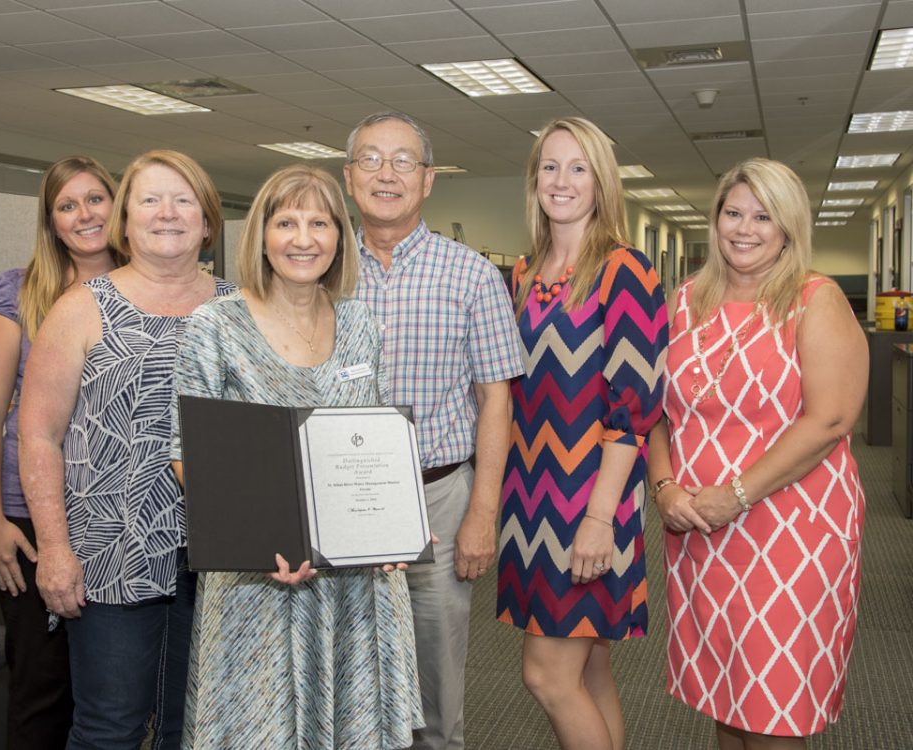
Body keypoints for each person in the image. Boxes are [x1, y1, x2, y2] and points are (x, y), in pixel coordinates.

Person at [170, 163, 423, 750]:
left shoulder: (362, 325)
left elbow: (374, 436)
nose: (303, 238)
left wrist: (390, 529)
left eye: (320, 222)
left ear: (341, 237)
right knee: (260, 730)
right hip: (257, 581)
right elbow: (189, 456)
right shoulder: (216, 326)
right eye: (286, 222)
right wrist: (258, 542)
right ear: (261, 234)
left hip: (356, 585)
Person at [18, 150, 236, 750]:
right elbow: (38, 434)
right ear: (126, 221)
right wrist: (54, 550)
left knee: (190, 727)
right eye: (149, 200)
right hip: (109, 555)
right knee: (109, 728)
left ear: (207, 220)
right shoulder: (81, 308)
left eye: (183, 200)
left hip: (219, 558)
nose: (167, 213)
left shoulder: (240, 310)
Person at [648, 158, 867, 750]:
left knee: (773, 711)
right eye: (733, 212)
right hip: (699, 528)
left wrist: (736, 494)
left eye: (763, 216)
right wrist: (665, 487)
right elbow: (659, 411)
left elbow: (831, 418)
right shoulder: (687, 298)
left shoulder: (814, 300)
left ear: (788, 226)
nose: (744, 228)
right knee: (726, 697)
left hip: (793, 530)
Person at [343, 111, 523, 749]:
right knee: (345, 670)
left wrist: (483, 511)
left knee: (435, 677)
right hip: (341, 498)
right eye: (370, 159)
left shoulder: (472, 275)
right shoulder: (320, 271)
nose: (386, 174)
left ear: (427, 181)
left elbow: (495, 401)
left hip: (438, 498)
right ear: (348, 176)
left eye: (403, 161)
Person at [496, 117, 668, 750]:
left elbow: (635, 409)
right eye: (549, 166)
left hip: (590, 497)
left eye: (578, 168)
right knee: (590, 669)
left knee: (547, 677)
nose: (561, 181)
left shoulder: (625, 270)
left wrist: (599, 518)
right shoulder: (521, 274)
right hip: (528, 496)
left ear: (602, 183)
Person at [0, 156, 118, 749]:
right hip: (26, 515)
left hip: (115, 516)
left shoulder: (151, 288)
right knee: (43, 686)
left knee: (111, 692)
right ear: (51, 221)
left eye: (95, 198)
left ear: (119, 203)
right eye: (67, 205)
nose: (84, 215)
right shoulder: (20, 292)